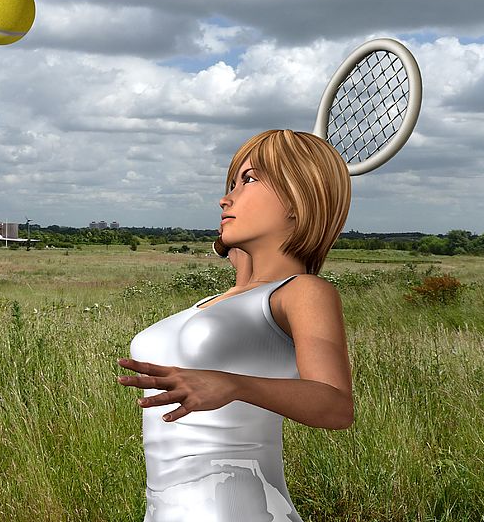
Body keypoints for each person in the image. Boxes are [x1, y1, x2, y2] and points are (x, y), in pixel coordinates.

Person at [118, 129, 353, 521]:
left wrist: (233, 384)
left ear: (298, 200)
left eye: (248, 180)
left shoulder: (303, 291)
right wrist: (234, 245)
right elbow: (246, 281)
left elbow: (335, 406)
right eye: (231, 183)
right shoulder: (219, 300)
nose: (226, 198)